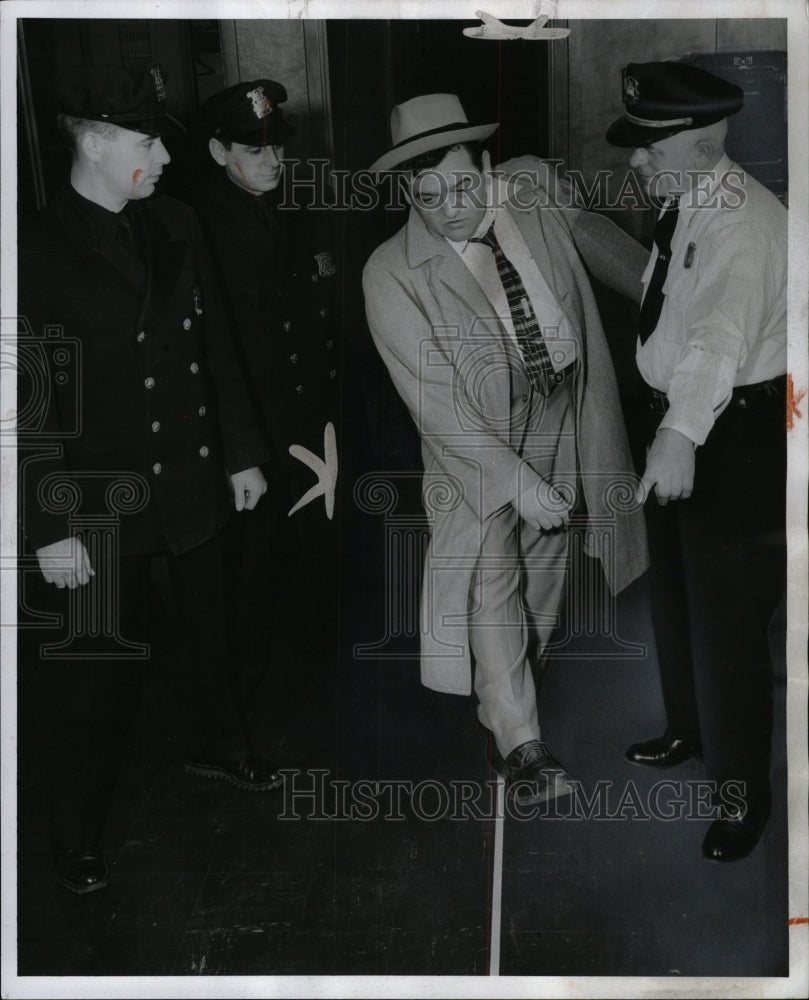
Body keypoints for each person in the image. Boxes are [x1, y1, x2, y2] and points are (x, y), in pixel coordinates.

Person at [18, 64, 284, 896]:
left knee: (212, 632)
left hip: (190, 478)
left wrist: (242, 452)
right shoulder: (29, 248)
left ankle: (219, 744)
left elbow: (216, 355)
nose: (163, 161)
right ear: (92, 144)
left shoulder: (175, 223)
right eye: (145, 144)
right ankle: (74, 830)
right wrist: (49, 526)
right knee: (90, 676)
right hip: (91, 504)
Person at [362, 94, 649, 803]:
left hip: (563, 412)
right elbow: (438, 409)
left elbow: (610, 251)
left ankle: (509, 692)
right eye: (429, 196)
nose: (453, 206)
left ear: (487, 168)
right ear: (408, 192)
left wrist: (681, 293)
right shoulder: (389, 271)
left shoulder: (526, 193)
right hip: (475, 444)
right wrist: (516, 480)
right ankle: (521, 743)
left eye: (464, 185)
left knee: (545, 572)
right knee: (490, 580)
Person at [605, 61, 787, 862]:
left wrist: (678, 435)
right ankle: (688, 727)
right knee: (675, 602)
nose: (634, 162)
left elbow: (717, 340)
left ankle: (741, 802)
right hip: (678, 421)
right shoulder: (685, 202)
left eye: (649, 147)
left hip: (728, 436)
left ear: (704, 139)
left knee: (730, 630)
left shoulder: (743, 223)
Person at [188, 79, 340, 677]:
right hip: (252, 432)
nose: (275, 161)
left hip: (311, 422)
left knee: (315, 560)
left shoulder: (298, 206)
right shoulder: (197, 227)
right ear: (218, 151)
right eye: (255, 150)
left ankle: (311, 681)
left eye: (278, 146)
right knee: (256, 576)